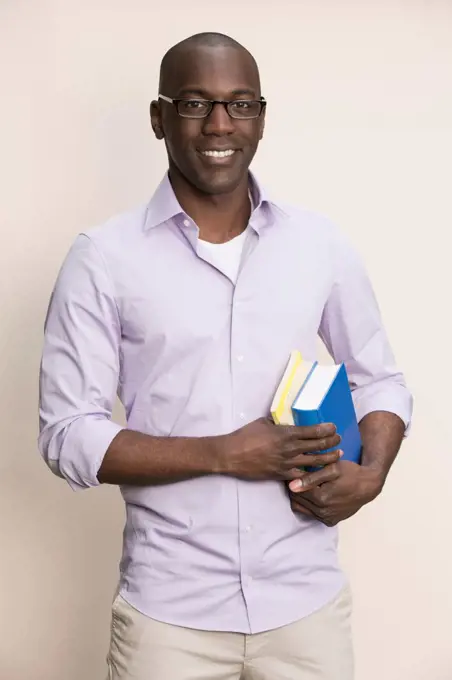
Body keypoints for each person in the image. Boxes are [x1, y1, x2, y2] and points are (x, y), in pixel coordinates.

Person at [38, 31, 413, 680]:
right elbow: (67, 434)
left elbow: (379, 379)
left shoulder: (319, 243)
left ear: (261, 119)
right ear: (159, 118)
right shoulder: (103, 258)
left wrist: (372, 473)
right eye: (193, 103)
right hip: (169, 619)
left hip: (308, 609)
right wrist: (222, 452)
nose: (219, 124)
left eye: (240, 104)